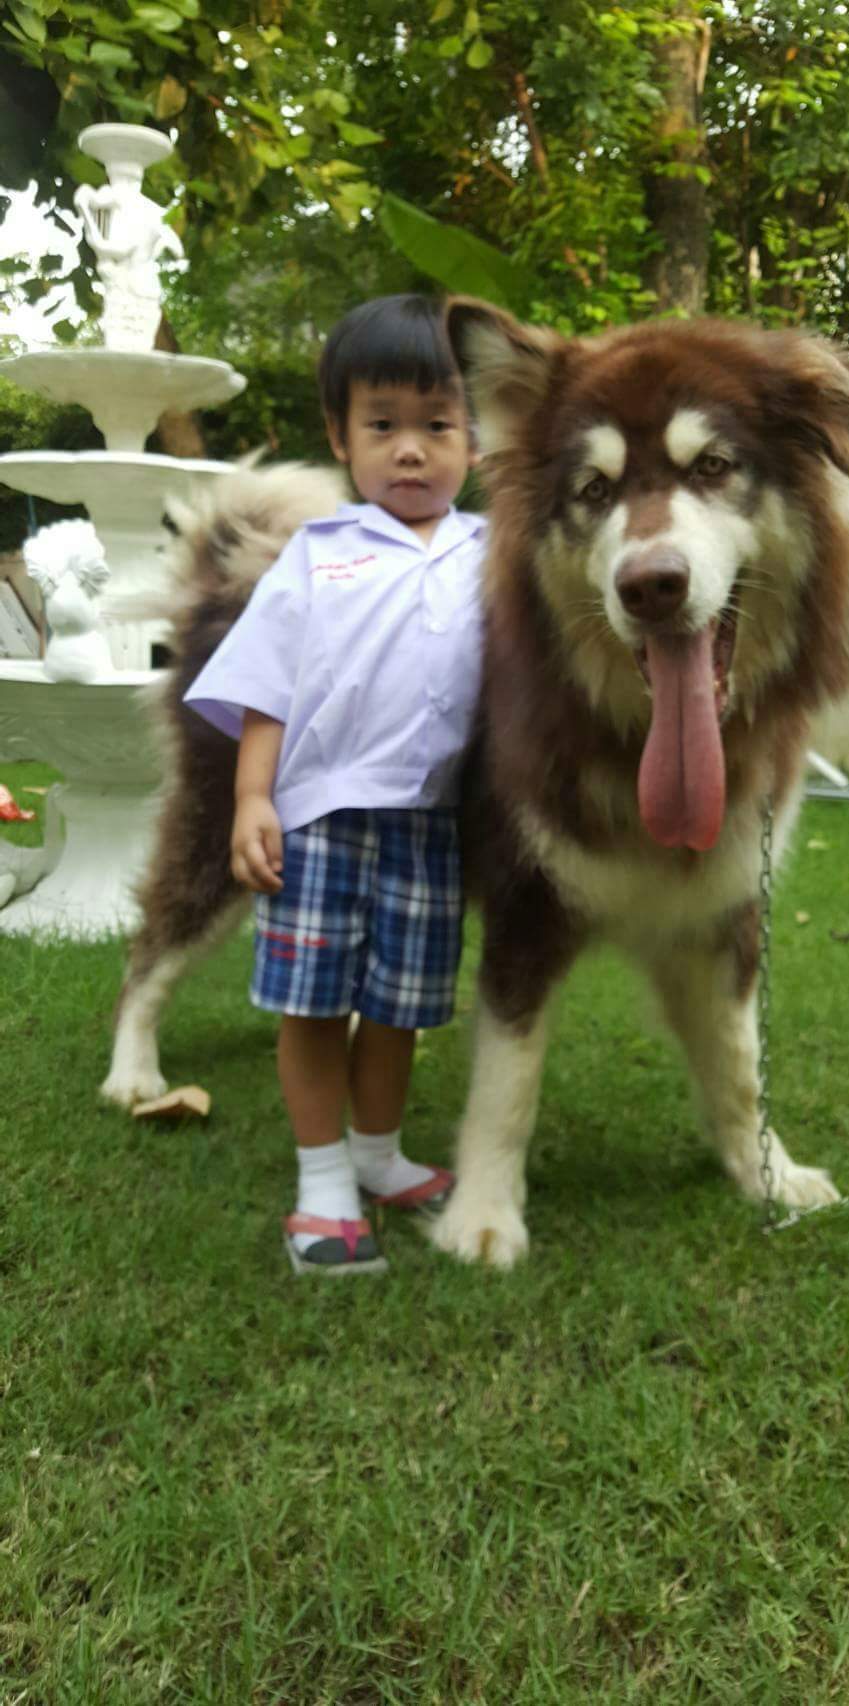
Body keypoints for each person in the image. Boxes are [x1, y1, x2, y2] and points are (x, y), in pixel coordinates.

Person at [184, 294, 485, 1276]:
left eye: (438, 424)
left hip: (430, 826)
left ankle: (377, 1152)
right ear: (340, 435)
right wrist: (253, 798)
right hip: (318, 819)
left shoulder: (493, 555)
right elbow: (266, 685)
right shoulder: (318, 555)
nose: (412, 449)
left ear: (477, 435)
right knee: (314, 1004)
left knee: (398, 1007)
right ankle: (322, 1184)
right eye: (383, 424)